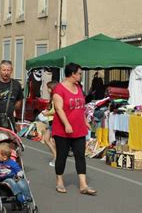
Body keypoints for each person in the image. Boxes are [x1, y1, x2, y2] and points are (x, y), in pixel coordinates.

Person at [52, 63, 96, 195]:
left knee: (80, 156)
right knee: (62, 156)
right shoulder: (59, 89)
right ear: (73, 74)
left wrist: (85, 121)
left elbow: (80, 106)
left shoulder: (78, 87)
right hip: (63, 130)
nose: (81, 75)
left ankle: (83, 185)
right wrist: (66, 124)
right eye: (80, 73)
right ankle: (59, 181)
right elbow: (58, 109)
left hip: (78, 128)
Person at [0, 60, 24, 130]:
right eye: (4, 70)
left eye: (8, 70)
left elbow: (19, 101)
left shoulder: (16, 84)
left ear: (11, 71)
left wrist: (12, 109)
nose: (6, 73)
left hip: (10, 120)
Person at [38, 80, 58, 167]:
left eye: (49, 88)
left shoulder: (55, 97)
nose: (48, 90)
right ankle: (56, 156)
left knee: (47, 139)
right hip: (52, 121)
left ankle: (56, 157)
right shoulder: (53, 97)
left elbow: (56, 110)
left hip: (55, 121)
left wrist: (47, 113)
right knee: (49, 140)